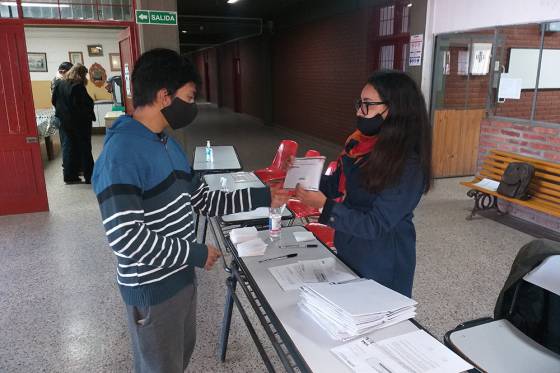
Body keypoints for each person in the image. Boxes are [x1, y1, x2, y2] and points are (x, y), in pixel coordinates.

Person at [91, 48, 290, 373]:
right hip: (152, 288)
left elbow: (203, 200)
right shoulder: (121, 155)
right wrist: (194, 253)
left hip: (179, 276)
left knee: (177, 360)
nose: (193, 106)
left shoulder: (166, 144)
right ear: (164, 96)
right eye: (190, 96)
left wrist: (264, 196)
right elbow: (125, 239)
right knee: (160, 367)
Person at [293, 70, 433, 297]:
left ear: (395, 108)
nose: (360, 111)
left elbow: (375, 224)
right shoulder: (361, 146)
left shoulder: (409, 164)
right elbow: (336, 184)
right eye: (359, 103)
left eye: (368, 104)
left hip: (383, 258)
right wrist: (302, 172)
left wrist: (325, 207)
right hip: (350, 244)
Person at [52, 64, 95, 184]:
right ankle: (89, 176)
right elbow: (83, 104)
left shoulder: (59, 84)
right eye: (84, 75)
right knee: (85, 148)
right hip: (79, 122)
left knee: (69, 148)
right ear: (80, 74)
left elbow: (54, 101)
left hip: (64, 122)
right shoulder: (77, 86)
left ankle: (69, 176)